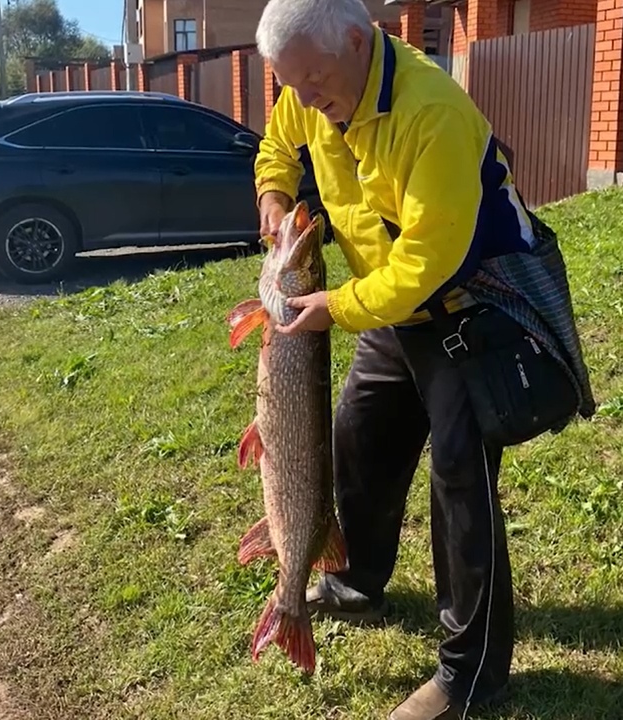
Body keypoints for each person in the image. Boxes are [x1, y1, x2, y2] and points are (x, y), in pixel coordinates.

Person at [252, 1, 596, 718]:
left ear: (357, 40)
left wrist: (338, 306)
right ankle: (356, 578)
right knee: (359, 440)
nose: (306, 98)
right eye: (293, 86)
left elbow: (428, 259)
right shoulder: (311, 87)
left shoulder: (429, 109)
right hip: (387, 305)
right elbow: (279, 143)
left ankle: (471, 675)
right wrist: (274, 195)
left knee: (460, 488)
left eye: (313, 80)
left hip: (465, 304)